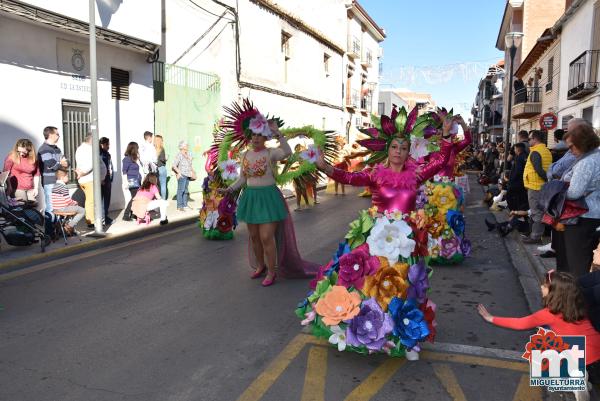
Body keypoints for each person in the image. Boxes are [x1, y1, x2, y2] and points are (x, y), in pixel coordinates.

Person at [297, 107, 455, 360]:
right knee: (365, 282)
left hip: (405, 239)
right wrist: (323, 166)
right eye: (394, 147)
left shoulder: (416, 175)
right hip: (376, 235)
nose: (398, 152)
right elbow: (347, 176)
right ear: (387, 150)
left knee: (402, 286)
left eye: (403, 148)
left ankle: (400, 336)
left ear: (408, 151)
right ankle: (358, 327)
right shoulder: (374, 175)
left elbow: (439, 163)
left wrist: (446, 137)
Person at [478, 271, 600, 399]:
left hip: (587, 362)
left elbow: (520, 323)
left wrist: (491, 318)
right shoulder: (578, 306)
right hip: (597, 358)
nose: (541, 287)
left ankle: (575, 379)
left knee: (543, 349)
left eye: (545, 286)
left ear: (555, 293)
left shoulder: (549, 314)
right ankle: (581, 378)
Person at [223, 119, 298, 286]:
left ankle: (272, 272)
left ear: (265, 138)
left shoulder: (271, 153)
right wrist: (229, 189)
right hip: (251, 198)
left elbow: (287, 152)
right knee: (255, 236)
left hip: (269, 198)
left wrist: (278, 134)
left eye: (259, 135)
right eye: (253, 135)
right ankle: (260, 266)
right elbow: (243, 179)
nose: (256, 138)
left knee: (266, 236)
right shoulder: (245, 155)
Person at [558, 123, 600, 278]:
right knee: (587, 261)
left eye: (572, 146)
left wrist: (559, 191)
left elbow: (575, 193)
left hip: (581, 217)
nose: (570, 150)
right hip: (594, 216)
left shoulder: (586, 162)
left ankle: (577, 298)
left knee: (577, 264)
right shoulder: (596, 156)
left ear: (583, 143)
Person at [522, 130, 552, 244]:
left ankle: (535, 236)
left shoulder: (535, 152)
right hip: (543, 186)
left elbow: (539, 171)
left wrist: (546, 179)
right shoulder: (546, 150)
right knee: (541, 211)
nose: (528, 141)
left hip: (535, 186)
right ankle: (537, 234)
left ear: (535, 139)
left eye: (529, 139)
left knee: (536, 212)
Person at [75, 133, 107, 228]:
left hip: (85, 179)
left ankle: (93, 220)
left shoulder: (80, 148)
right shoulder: (88, 149)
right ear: (91, 140)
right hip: (88, 179)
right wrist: (83, 173)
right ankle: (91, 222)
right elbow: (92, 164)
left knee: (90, 200)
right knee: (91, 201)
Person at [38, 126, 69, 213]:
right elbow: (51, 165)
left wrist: (63, 163)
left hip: (59, 181)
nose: (59, 136)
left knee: (60, 207)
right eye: (57, 134)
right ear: (51, 135)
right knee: (51, 208)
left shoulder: (57, 149)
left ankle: (58, 226)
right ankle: (49, 227)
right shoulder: (44, 149)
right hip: (49, 182)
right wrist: (60, 163)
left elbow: (66, 162)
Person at [51, 169, 85, 236]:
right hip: (63, 208)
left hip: (55, 209)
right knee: (82, 210)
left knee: (73, 211)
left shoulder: (54, 186)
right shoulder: (63, 186)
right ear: (62, 178)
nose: (68, 178)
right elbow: (68, 201)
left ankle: (64, 227)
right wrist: (75, 203)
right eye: (67, 176)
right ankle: (69, 225)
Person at [122, 142, 142, 221]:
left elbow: (140, 167)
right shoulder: (127, 159)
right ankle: (126, 215)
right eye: (137, 148)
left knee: (136, 198)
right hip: (132, 182)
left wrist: (138, 159)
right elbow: (124, 171)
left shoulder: (134, 158)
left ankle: (134, 214)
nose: (138, 150)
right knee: (135, 198)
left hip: (137, 181)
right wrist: (125, 182)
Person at [172, 141, 194, 211]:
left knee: (186, 190)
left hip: (188, 175)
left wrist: (192, 172)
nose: (187, 146)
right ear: (182, 147)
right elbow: (174, 165)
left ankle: (185, 205)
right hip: (182, 175)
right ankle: (179, 206)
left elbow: (190, 164)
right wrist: (179, 173)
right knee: (181, 190)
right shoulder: (179, 155)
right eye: (186, 145)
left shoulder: (189, 154)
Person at [99, 137, 114, 225]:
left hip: (107, 179)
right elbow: (101, 168)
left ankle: (105, 217)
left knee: (106, 199)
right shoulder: (101, 155)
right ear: (102, 145)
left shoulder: (106, 154)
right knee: (103, 200)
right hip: (103, 180)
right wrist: (102, 179)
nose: (108, 146)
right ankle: (103, 218)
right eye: (107, 144)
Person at [154, 134, 168, 200]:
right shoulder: (161, 149)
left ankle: (157, 199)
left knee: (156, 185)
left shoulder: (153, 148)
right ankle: (163, 200)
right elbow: (162, 159)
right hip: (162, 168)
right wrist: (166, 158)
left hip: (155, 168)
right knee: (163, 185)